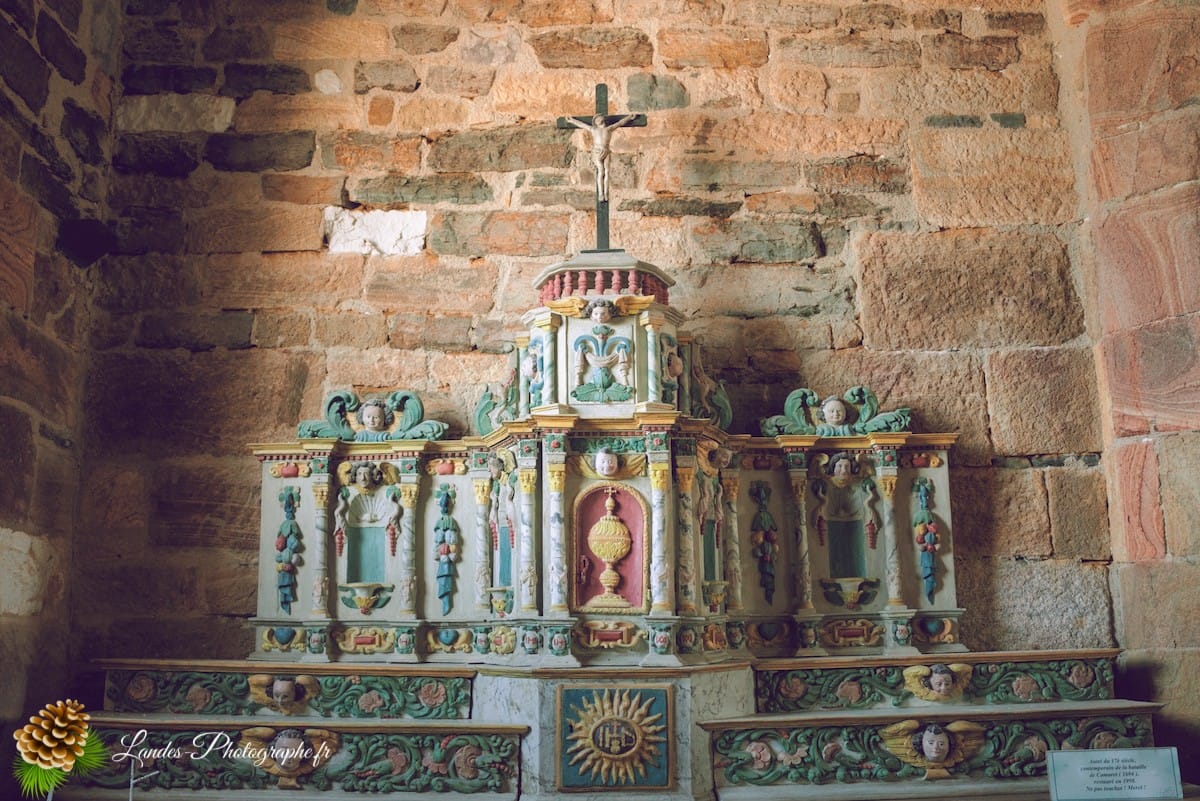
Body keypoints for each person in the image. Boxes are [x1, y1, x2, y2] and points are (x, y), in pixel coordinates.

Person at [565, 114, 637, 202]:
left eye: (599, 117)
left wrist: (629, 117)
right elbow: (582, 125)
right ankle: (601, 194)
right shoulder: (594, 129)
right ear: (595, 122)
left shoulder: (609, 129)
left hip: (606, 151)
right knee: (601, 171)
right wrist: (572, 120)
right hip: (597, 152)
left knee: (607, 171)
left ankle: (606, 193)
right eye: (596, 119)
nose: (598, 119)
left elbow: (620, 122)